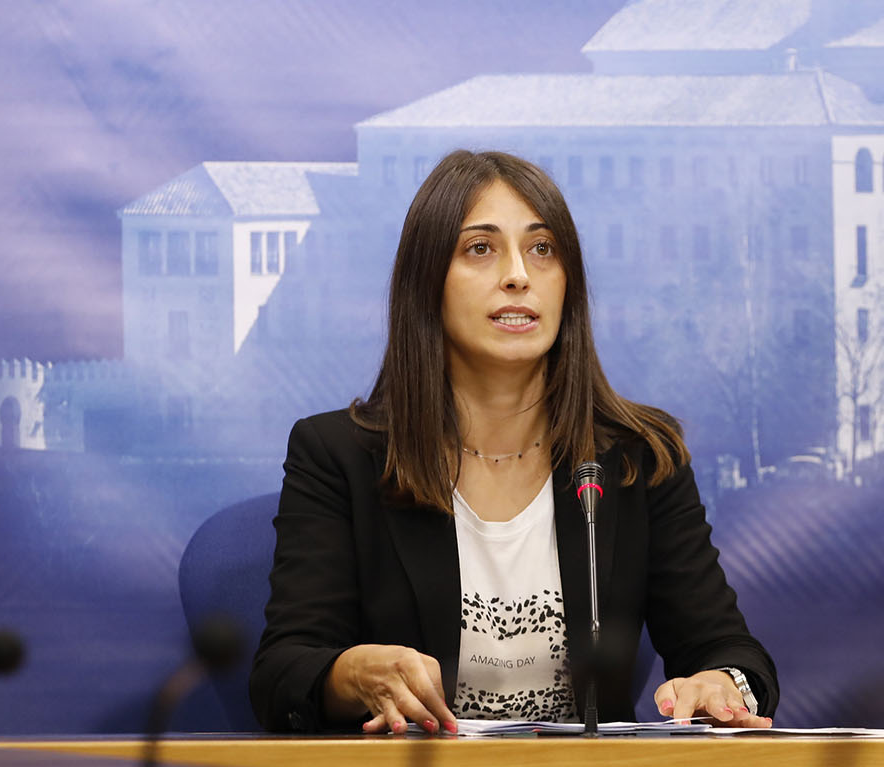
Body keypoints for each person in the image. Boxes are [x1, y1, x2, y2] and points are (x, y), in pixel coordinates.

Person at [250, 149, 778, 735]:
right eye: (481, 248)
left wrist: (722, 685)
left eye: (543, 249)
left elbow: (728, 650)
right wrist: (351, 673)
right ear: (427, 281)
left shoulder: (637, 458)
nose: (519, 275)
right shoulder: (339, 456)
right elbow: (282, 674)